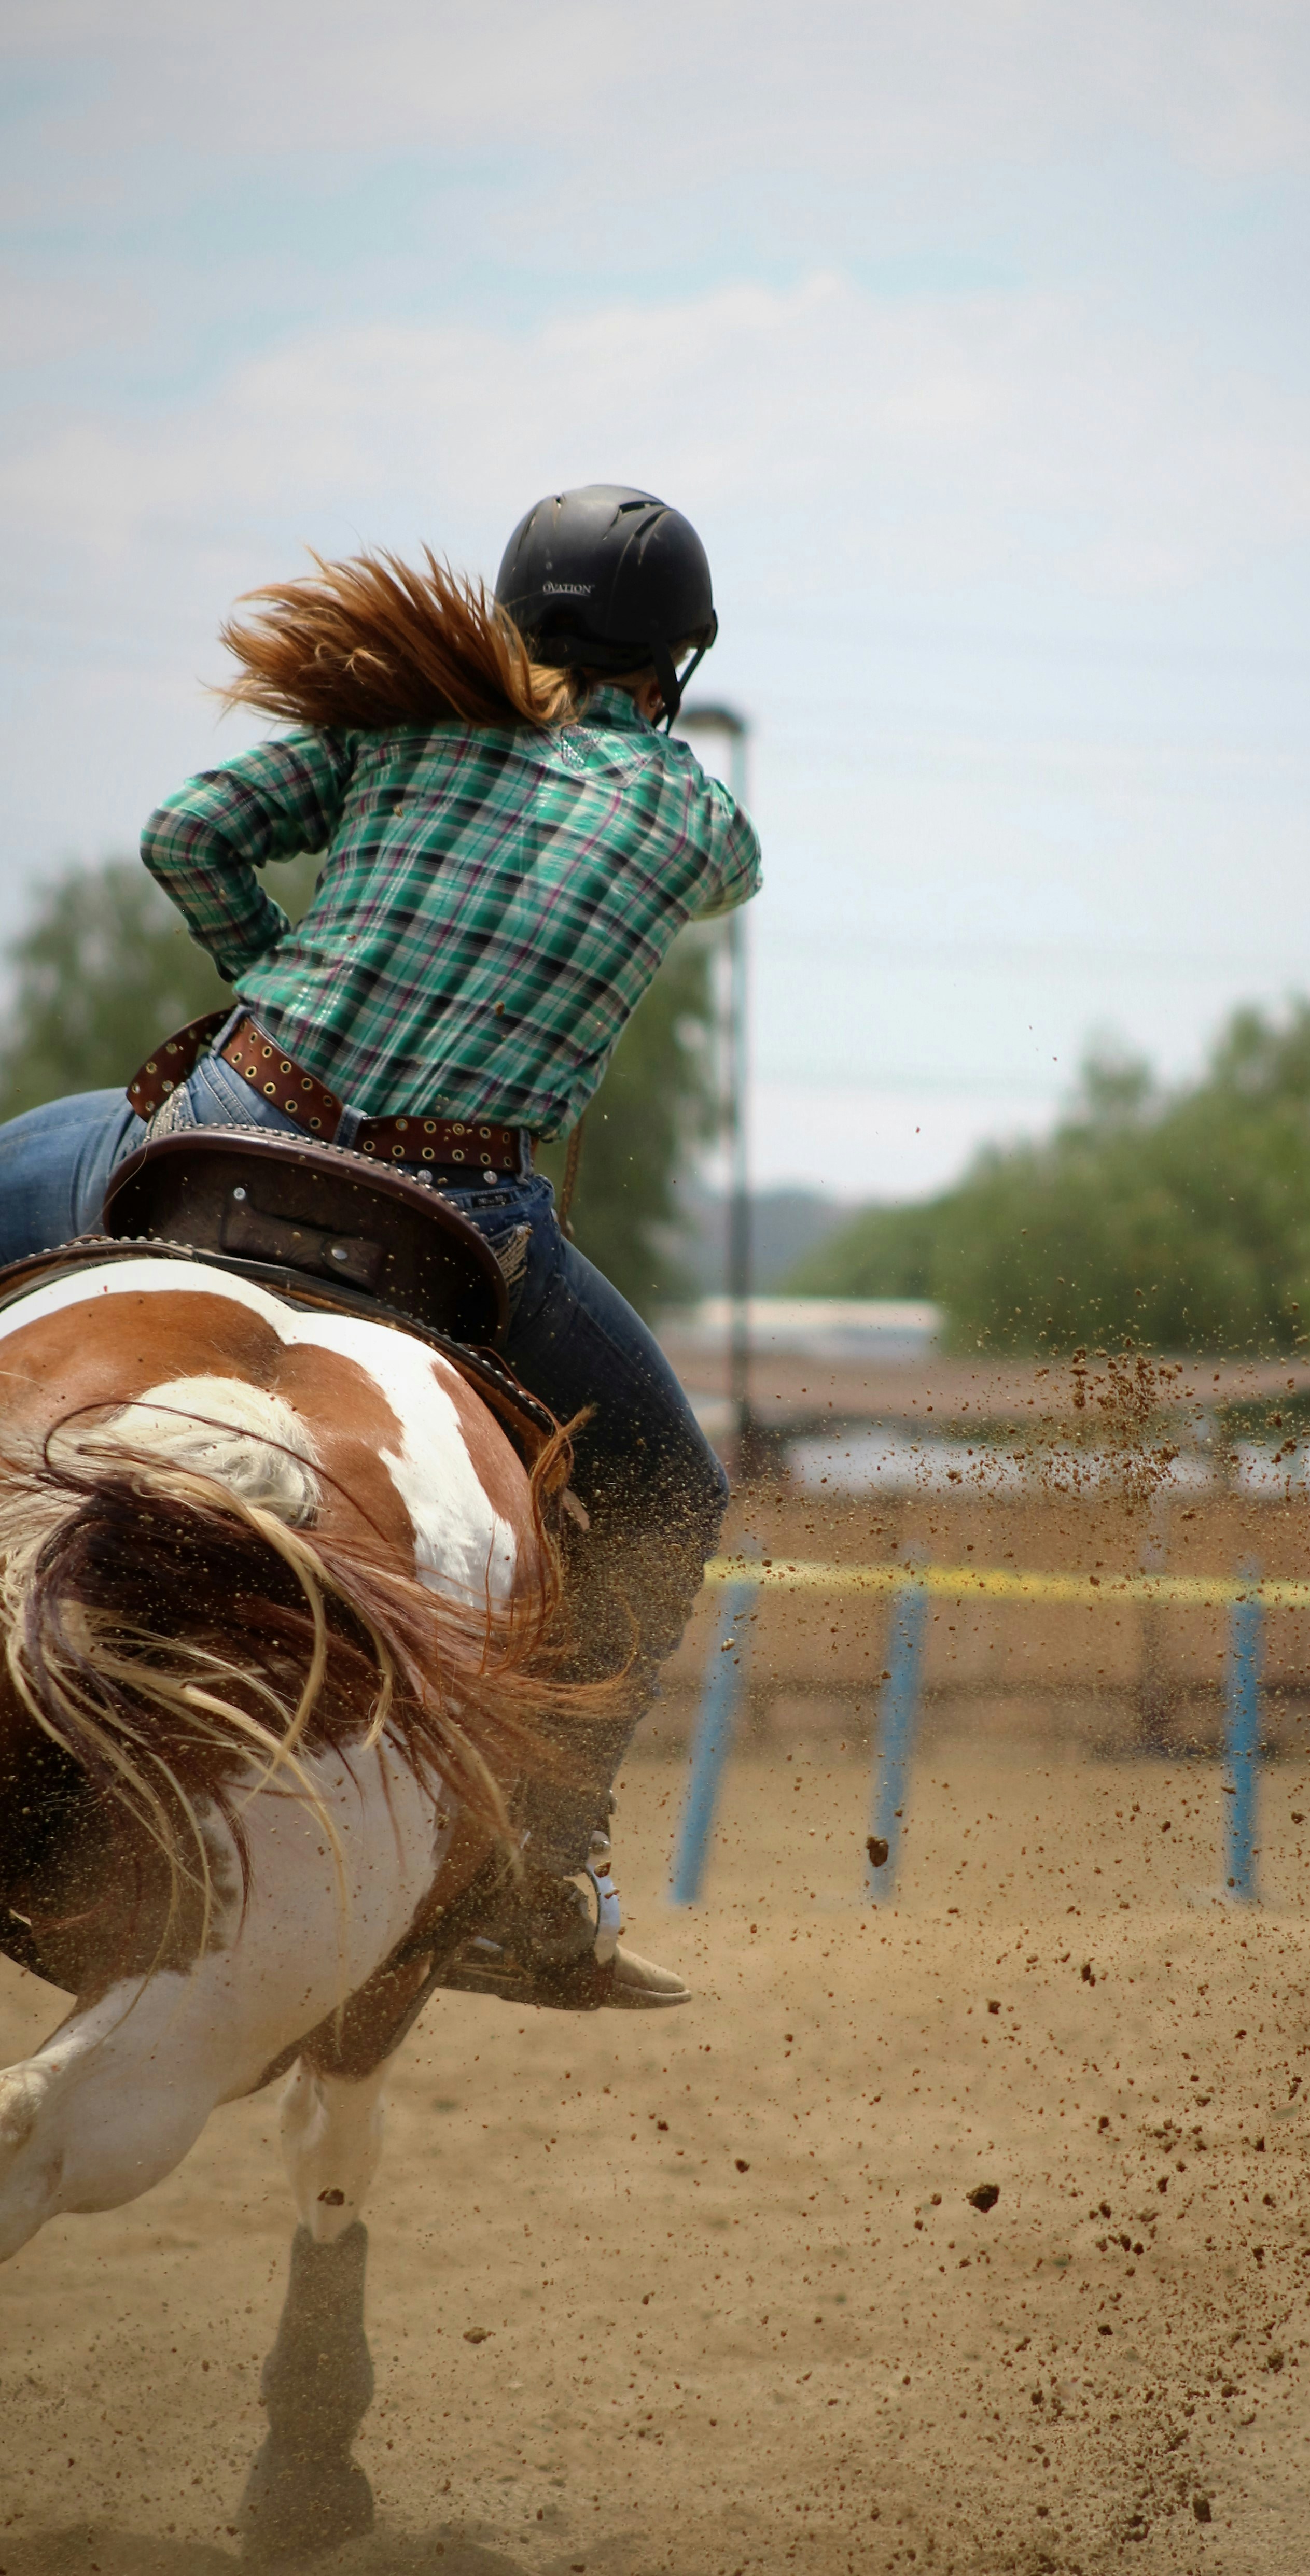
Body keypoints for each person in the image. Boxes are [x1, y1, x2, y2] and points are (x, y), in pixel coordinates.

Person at [0, 485, 761, 2011]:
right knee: (672, 1491)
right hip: (448, 1215)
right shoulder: (691, 811)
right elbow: (725, 875)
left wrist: (274, 974)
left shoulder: (406, 726)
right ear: (674, 664)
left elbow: (184, 833)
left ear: (512, 616)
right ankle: (550, 1870)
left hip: (227, 1128)